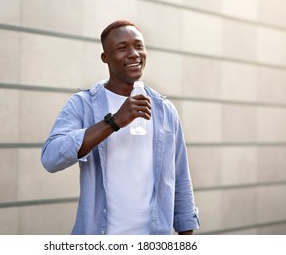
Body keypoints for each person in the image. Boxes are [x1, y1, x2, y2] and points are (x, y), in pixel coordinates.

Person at [41, 20, 199, 235]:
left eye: (139, 46)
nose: (134, 53)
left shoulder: (165, 110)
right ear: (105, 57)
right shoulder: (83, 104)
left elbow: (180, 178)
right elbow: (51, 158)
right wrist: (114, 121)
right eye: (122, 48)